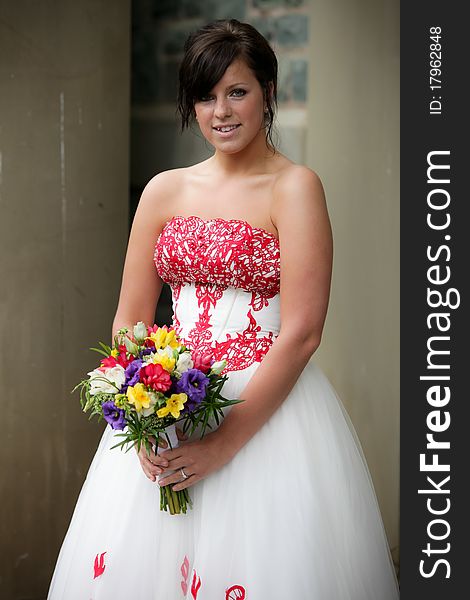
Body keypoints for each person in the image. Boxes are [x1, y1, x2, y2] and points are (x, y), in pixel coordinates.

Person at [48, 19, 400, 599]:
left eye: (237, 91)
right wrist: (145, 424)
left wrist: (223, 442)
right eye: (205, 96)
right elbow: (131, 319)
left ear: (267, 91)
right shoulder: (164, 190)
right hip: (169, 403)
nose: (221, 111)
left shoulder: (296, 188)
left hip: (267, 410)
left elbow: (305, 332)